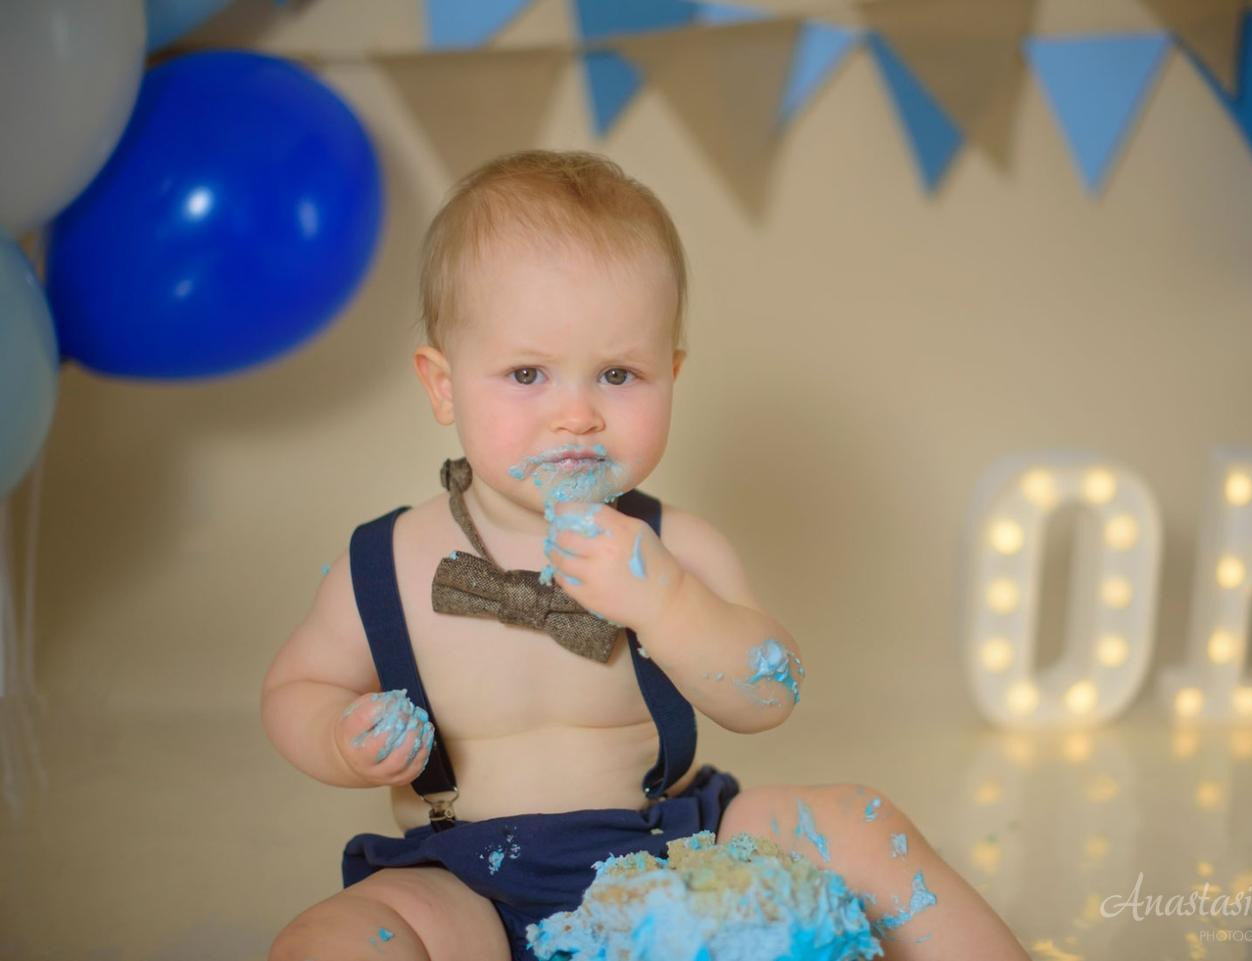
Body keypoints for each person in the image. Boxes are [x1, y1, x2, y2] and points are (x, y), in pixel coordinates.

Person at [262, 149, 1027, 961]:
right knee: (337, 937)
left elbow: (771, 691)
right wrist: (341, 737)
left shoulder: (676, 546)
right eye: (527, 373)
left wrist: (668, 603)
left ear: (671, 373)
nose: (577, 414)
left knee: (856, 820)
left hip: (674, 851)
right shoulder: (388, 562)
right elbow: (295, 687)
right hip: (464, 880)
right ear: (443, 385)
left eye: (618, 375)